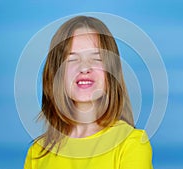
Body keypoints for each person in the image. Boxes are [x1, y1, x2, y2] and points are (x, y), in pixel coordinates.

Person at [24, 15, 153, 169]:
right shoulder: (38, 152)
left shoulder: (132, 144)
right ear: (56, 75)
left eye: (96, 58)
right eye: (72, 59)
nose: (84, 68)